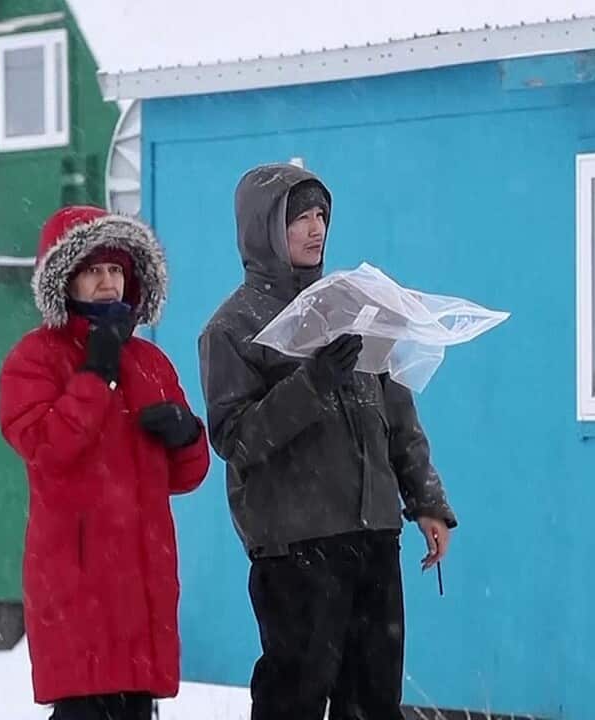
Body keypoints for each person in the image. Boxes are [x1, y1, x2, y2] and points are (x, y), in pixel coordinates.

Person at [197, 164, 458, 720]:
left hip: (373, 534)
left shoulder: (352, 306)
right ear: (264, 228)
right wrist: (311, 383)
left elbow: (397, 412)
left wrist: (427, 501)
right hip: (296, 547)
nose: (316, 229)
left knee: (372, 702)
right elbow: (237, 439)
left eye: (321, 215)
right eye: (299, 218)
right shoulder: (232, 327)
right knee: (294, 699)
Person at [0, 205, 210, 720]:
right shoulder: (34, 358)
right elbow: (47, 447)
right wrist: (96, 373)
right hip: (76, 581)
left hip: (141, 580)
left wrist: (188, 436)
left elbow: (186, 475)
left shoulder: (151, 361)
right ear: (64, 278)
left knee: (134, 710)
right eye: (93, 270)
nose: (108, 282)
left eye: (116, 270)